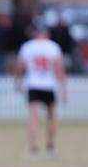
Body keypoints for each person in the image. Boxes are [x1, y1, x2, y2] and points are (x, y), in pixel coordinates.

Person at [14, 22, 67, 157]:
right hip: (49, 85)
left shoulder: (27, 47)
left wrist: (18, 84)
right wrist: (63, 88)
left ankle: (33, 149)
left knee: (33, 118)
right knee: (51, 118)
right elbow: (59, 68)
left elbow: (20, 67)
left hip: (33, 85)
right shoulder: (53, 47)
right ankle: (50, 147)